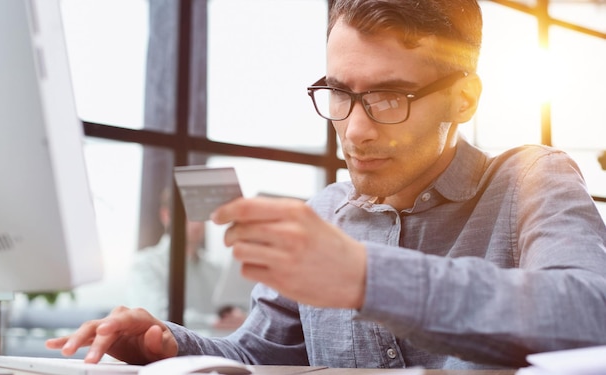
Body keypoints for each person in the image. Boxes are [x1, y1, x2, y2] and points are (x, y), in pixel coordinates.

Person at [46, 0, 606, 369]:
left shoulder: (531, 178)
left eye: (391, 97)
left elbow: (591, 314)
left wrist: (365, 277)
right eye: (340, 93)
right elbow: (262, 351)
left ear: (465, 99)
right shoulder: (322, 212)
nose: (355, 130)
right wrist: (172, 346)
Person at [127, 187, 247, 330]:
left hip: (217, 349)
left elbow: (236, 306)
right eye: (188, 215)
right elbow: (155, 316)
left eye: (200, 215)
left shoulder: (216, 268)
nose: (196, 224)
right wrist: (213, 322)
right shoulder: (145, 265)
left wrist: (238, 315)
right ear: (166, 216)